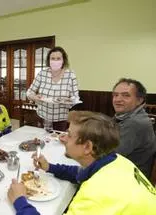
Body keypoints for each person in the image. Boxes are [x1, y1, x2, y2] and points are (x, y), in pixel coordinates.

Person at [8, 111, 156, 214]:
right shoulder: (117, 161)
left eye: (70, 135)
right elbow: (81, 173)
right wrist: (49, 167)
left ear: (87, 147)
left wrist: (19, 200)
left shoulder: (96, 194)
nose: (64, 138)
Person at [27, 46, 80, 132]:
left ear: (63, 60)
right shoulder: (42, 74)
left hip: (61, 118)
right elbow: (29, 92)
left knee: (58, 142)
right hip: (42, 116)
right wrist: (34, 97)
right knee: (42, 141)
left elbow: (75, 97)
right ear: (49, 60)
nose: (55, 61)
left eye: (58, 58)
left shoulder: (71, 75)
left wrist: (68, 100)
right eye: (53, 58)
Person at [112, 78, 156, 178]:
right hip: (122, 171)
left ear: (139, 100)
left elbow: (110, 156)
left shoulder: (135, 123)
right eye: (115, 95)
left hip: (129, 179)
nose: (118, 99)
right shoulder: (123, 116)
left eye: (125, 95)